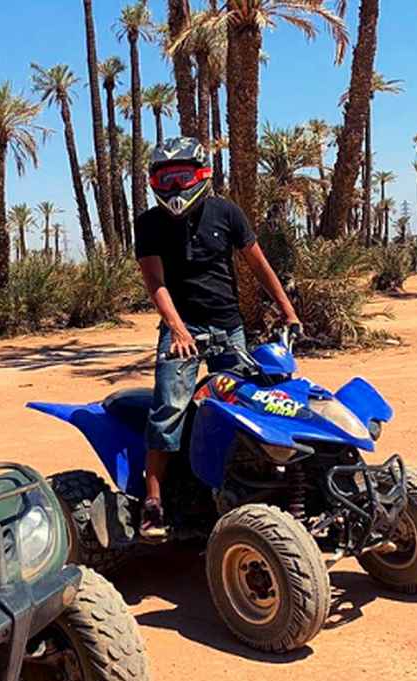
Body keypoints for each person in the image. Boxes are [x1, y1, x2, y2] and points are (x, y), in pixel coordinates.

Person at [134, 137, 301, 540]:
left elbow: (260, 265)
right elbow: (155, 281)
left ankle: (243, 488)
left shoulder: (226, 212)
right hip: (182, 329)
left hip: (229, 327)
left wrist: (287, 309)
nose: (174, 186)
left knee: (251, 403)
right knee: (169, 406)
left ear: (202, 174)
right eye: (165, 178)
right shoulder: (149, 224)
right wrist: (176, 329)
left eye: (182, 176)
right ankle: (153, 502)